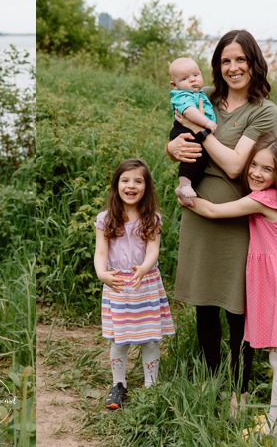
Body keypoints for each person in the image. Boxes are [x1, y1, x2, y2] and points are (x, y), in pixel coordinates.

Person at [166, 30, 277, 416]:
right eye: (225, 61)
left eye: (240, 60)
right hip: (197, 212)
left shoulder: (264, 110)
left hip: (237, 215)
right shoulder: (205, 96)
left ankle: (240, 390)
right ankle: (210, 378)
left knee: (237, 306)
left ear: (253, 62)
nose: (232, 68)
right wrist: (172, 147)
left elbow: (236, 165)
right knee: (204, 302)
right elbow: (178, 137)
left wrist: (199, 129)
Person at [186, 132, 277, 436]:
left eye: (267, 169)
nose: (257, 173)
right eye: (254, 165)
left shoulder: (263, 199)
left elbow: (214, 211)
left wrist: (186, 193)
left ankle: (273, 428)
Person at [93, 159, 175, 410]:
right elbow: (100, 253)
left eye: (138, 181)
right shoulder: (105, 219)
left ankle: (151, 386)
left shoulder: (152, 218)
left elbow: (153, 250)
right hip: (117, 283)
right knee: (120, 339)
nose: (131, 186)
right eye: (125, 180)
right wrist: (101, 274)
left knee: (150, 339)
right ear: (116, 185)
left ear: (146, 187)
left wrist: (145, 267)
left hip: (145, 283)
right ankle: (118, 385)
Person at [168, 57, 217, 206]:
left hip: (192, 129)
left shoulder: (201, 92)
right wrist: (206, 122)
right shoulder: (182, 95)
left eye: (196, 75)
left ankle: (184, 188)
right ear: (174, 85)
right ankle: (184, 183)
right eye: (184, 78)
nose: (192, 80)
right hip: (183, 129)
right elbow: (189, 112)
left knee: (200, 161)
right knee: (192, 156)